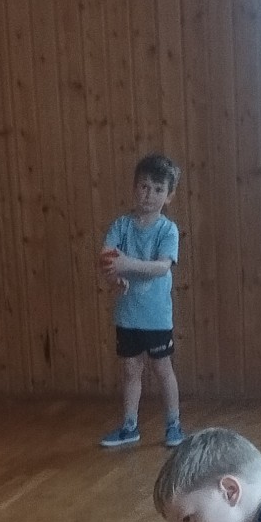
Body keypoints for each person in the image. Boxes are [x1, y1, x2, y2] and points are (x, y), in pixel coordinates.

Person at [98, 154, 184, 450]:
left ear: (169, 196)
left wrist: (127, 265)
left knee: (162, 370)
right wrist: (114, 275)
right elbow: (107, 257)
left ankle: (173, 423)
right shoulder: (121, 226)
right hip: (127, 316)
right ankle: (129, 426)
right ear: (135, 188)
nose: (150, 195)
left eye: (158, 189)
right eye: (145, 187)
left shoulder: (167, 230)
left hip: (156, 317)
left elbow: (162, 267)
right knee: (131, 371)